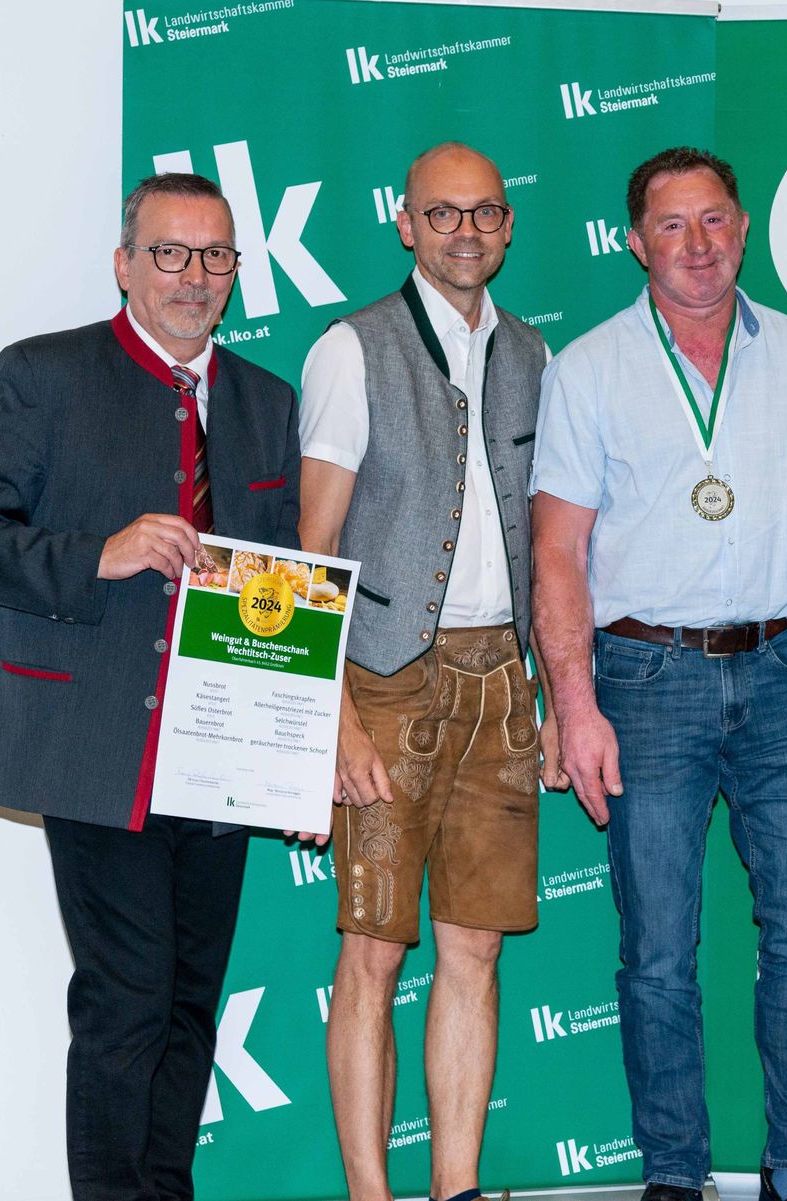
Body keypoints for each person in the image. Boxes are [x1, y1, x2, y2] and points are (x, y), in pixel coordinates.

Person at [0, 173, 300, 1201]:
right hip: (96, 745)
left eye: (215, 256)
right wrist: (100, 552)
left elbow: (285, 586)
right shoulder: (42, 375)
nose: (193, 276)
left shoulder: (268, 400)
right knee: (127, 1003)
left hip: (223, 756)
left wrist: (298, 751)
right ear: (125, 263)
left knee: (187, 1005)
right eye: (170, 253)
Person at [530, 146, 787, 1201]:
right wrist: (575, 703)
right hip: (645, 676)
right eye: (672, 226)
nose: (698, 245)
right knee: (658, 950)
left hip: (780, 666)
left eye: (715, 220)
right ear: (636, 242)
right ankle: (676, 1175)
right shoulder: (587, 368)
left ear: (742, 225)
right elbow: (557, 551)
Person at [296, 141, 562, 1201]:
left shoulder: (536, 354)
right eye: (443, 215)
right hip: (383, 682)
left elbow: (549, 540)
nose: (466, 233)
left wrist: (544, 690)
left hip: (501, 682)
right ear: (405, 223)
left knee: (476, 955)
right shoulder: (349, 350)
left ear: (507, 226)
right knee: (371, 956)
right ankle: (372, 1192)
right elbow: (310, 548)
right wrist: (331, 714)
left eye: (485, 214)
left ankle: (457, 1187)